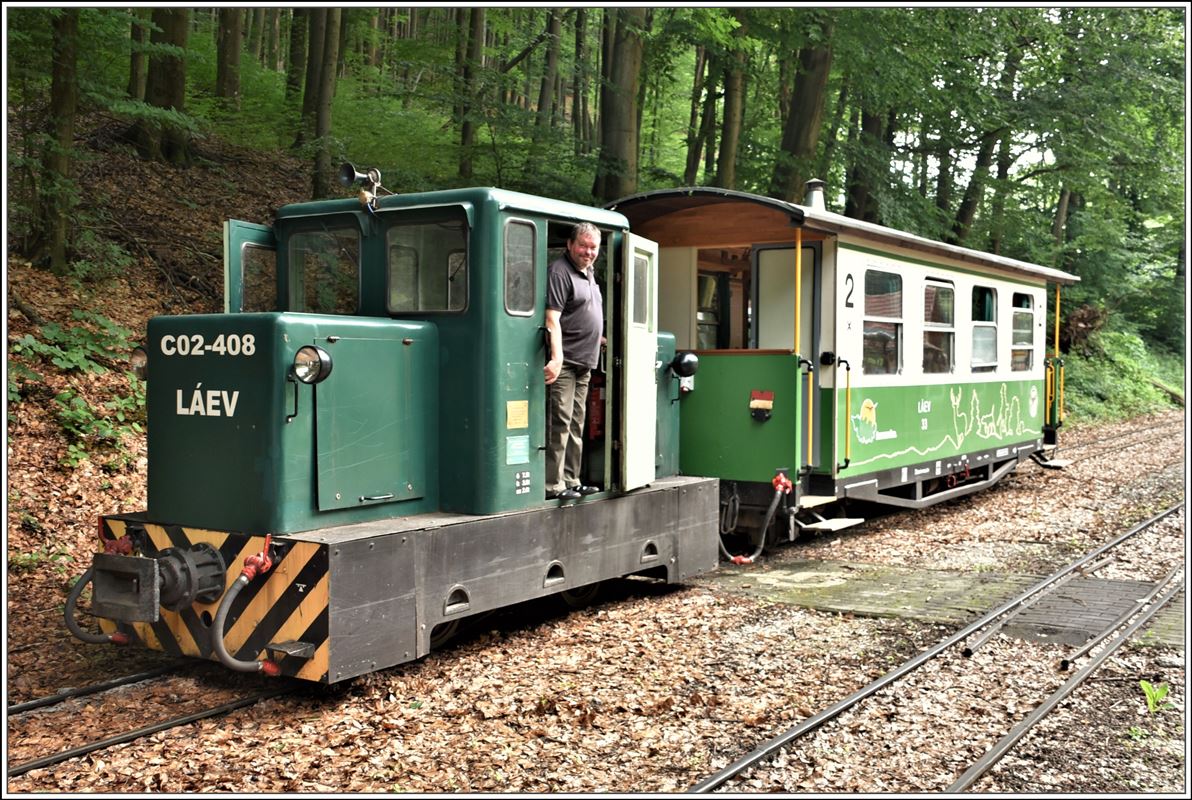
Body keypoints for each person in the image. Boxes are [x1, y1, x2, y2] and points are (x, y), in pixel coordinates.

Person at [544, 223, 604, 501]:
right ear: (570, 244)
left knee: (576, 423)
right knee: (560, 421)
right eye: (583, 245)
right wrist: (556, 358)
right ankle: (553, 484)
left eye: (593, 247)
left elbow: (582, 313)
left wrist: (598, 338)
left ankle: (572, 478)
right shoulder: (560, 271)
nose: (588, 252)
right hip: (566, 362)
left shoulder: (588, 274)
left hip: (585, 361)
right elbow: (552, 318)